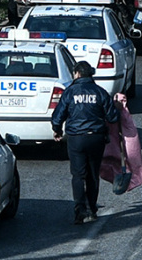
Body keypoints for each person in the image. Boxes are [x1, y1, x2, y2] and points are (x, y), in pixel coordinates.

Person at [51, 61, 119, 225]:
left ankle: (80, 211)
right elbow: (113, 117)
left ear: (77, 74)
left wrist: (57, 130)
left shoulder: (70, 92)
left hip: (76, 139)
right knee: (93, 174)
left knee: (78, 175)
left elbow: (57, 116)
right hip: (96, 138)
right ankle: (92, 210)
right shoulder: (100, 92)